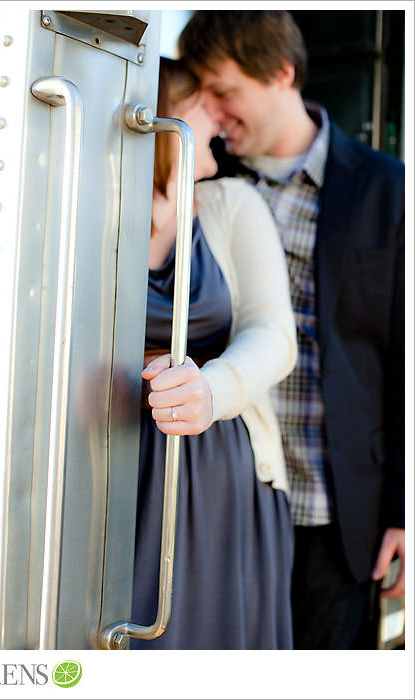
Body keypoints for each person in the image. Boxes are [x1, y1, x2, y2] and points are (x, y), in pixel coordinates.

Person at [178, 10, 405, 649]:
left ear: (282, 73)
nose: (215, 113)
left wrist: (403, 511)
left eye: (224, 91)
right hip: (231, 497)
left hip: (341, 510)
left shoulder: (389, 190)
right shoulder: (201, 180)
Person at [130, 57, 297, 649]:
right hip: (123, 480)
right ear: (163, 122)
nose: (222, 117)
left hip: (225, 477)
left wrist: (211, 390)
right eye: (206, 104)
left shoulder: (232, 205)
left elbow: (275, 336)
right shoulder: (95, 217)